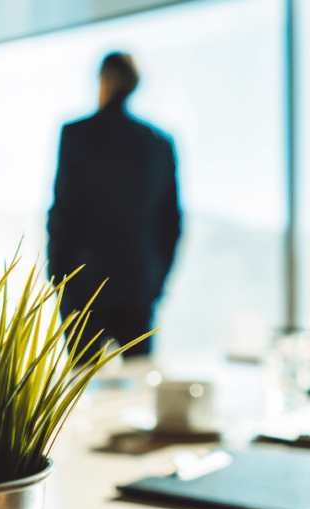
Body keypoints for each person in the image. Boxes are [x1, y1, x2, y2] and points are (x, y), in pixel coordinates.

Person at [46, 52, 181, 360]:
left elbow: (63, 212)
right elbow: (172, 224)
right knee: (141, 390)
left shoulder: (76, 134)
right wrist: (156, 282)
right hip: (139, 288)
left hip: (84, 288)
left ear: (103, 81)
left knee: (82, 391)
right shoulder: (159, 143)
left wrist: (57, 278)